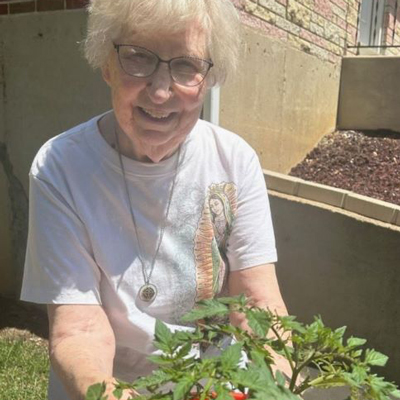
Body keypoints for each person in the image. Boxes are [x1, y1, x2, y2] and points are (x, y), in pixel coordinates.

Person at [20, 0, 290, 399]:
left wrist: (276, 387)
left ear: (209, 78)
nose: (161, 91)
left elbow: (258, 304)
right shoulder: (61, 166)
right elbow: (79, 329)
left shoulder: (235, 161)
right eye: (138, 58)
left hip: (215, 386)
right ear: (106, 65)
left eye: (186, 66)